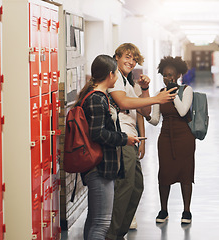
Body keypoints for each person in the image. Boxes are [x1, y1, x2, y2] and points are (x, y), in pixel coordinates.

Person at [106, 43, 177, 240]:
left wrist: (145, 89)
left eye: (134, 59)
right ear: (117, 57)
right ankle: (112, 235)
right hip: (121, 138)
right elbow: (124, 103)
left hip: (130, 138)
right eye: (127, 57)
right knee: (125, 186)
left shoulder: (127, 81)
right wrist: (155, 98)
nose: (131, 61)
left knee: (136, 186)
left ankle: (119, 232)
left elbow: (144, 112)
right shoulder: (115, 77)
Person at [79, 55, 140, 240]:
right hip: (100, 167)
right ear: (111, 74)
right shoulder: (96, 99)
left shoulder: (100, 96)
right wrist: (124, 139)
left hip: (103, 166)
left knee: (94, 220)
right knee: (101, 223)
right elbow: (97, 133)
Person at [146, 56, 195, 224]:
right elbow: (154, 120)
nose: (169, 78)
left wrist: (173, 94)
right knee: (164, 174)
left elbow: (182, 112)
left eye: (172, 75)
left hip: (185, 138)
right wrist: (144, 114)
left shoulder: (186, 90)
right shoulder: (159, 94)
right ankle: (163, 210)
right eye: (165, 75)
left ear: (179, 75)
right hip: (165, 138)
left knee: (185, 174)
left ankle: (187, 211)